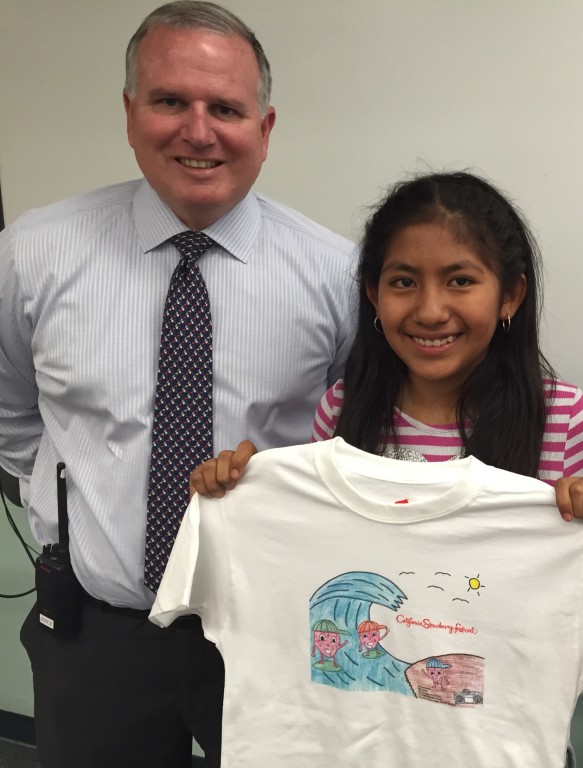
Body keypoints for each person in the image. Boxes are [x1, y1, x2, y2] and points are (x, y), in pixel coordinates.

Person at [0, 2, 358, 765]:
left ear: (263, 130)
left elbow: (352, 445)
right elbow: (12, 414)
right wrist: (67, 493)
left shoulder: (338, 275)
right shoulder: (31, 255)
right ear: (131, 115)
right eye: (170, 102)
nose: (199, 131)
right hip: (97, 636)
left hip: (271, 639)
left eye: (225, 108)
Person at [191, 171, 583, 533]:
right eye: (403, 282)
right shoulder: (341, 409)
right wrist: (244, 492)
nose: (429, 312)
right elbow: (313, 539)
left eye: (460, 281)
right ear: (373, 294)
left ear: (510, 296)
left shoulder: (563, 417)